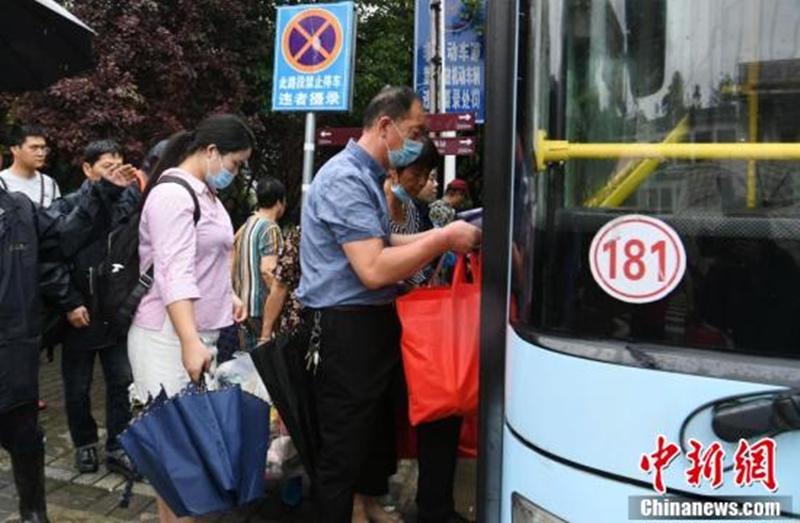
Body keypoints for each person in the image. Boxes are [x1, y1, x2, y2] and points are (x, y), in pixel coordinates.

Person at [297, 85, 481, 523]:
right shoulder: (344, 178)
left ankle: (433, 508)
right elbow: (374, 267)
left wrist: (444, 237)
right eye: (414, 131)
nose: (417, 141)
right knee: (342, 446)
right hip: (346, 328)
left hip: (377, 321)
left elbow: (384, 242)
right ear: (386, 126)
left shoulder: (366, 176)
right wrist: (440, 238)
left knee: (431, 409)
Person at [126, 113, 253, 523]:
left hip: (197, 333)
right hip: (169, 337)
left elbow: (208, 257)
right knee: (180, 461)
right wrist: (189, 341)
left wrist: (228, 294)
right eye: (235, 164)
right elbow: (173, 272)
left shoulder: (205, 194)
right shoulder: (174, 196)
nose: (234, 172)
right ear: (212, 151)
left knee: (184, 460)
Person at [0, 165, 137, 523]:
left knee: (24, 437)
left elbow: (63, 239)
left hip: (14, 354)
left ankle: (34, 514)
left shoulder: (18, 208)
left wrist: (101, 192)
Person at [52, 140, 139, 477]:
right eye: (107, 167)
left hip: (116, 314)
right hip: (79, 316)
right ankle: (84, 444)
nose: (115, 174)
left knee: (122, 383)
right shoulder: (69, 206)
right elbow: (53, 258)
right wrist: (69, 301)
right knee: (77, 387)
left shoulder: (129, 205)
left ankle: (117, 447)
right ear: (87, 170)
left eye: (119, 166)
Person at [232, 176, 286, 347]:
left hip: (242, 306)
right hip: (260, 309)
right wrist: (281, 299)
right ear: (280, 202)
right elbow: (267, 271)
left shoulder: (248, 224)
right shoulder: (270, 228)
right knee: (262, 366)